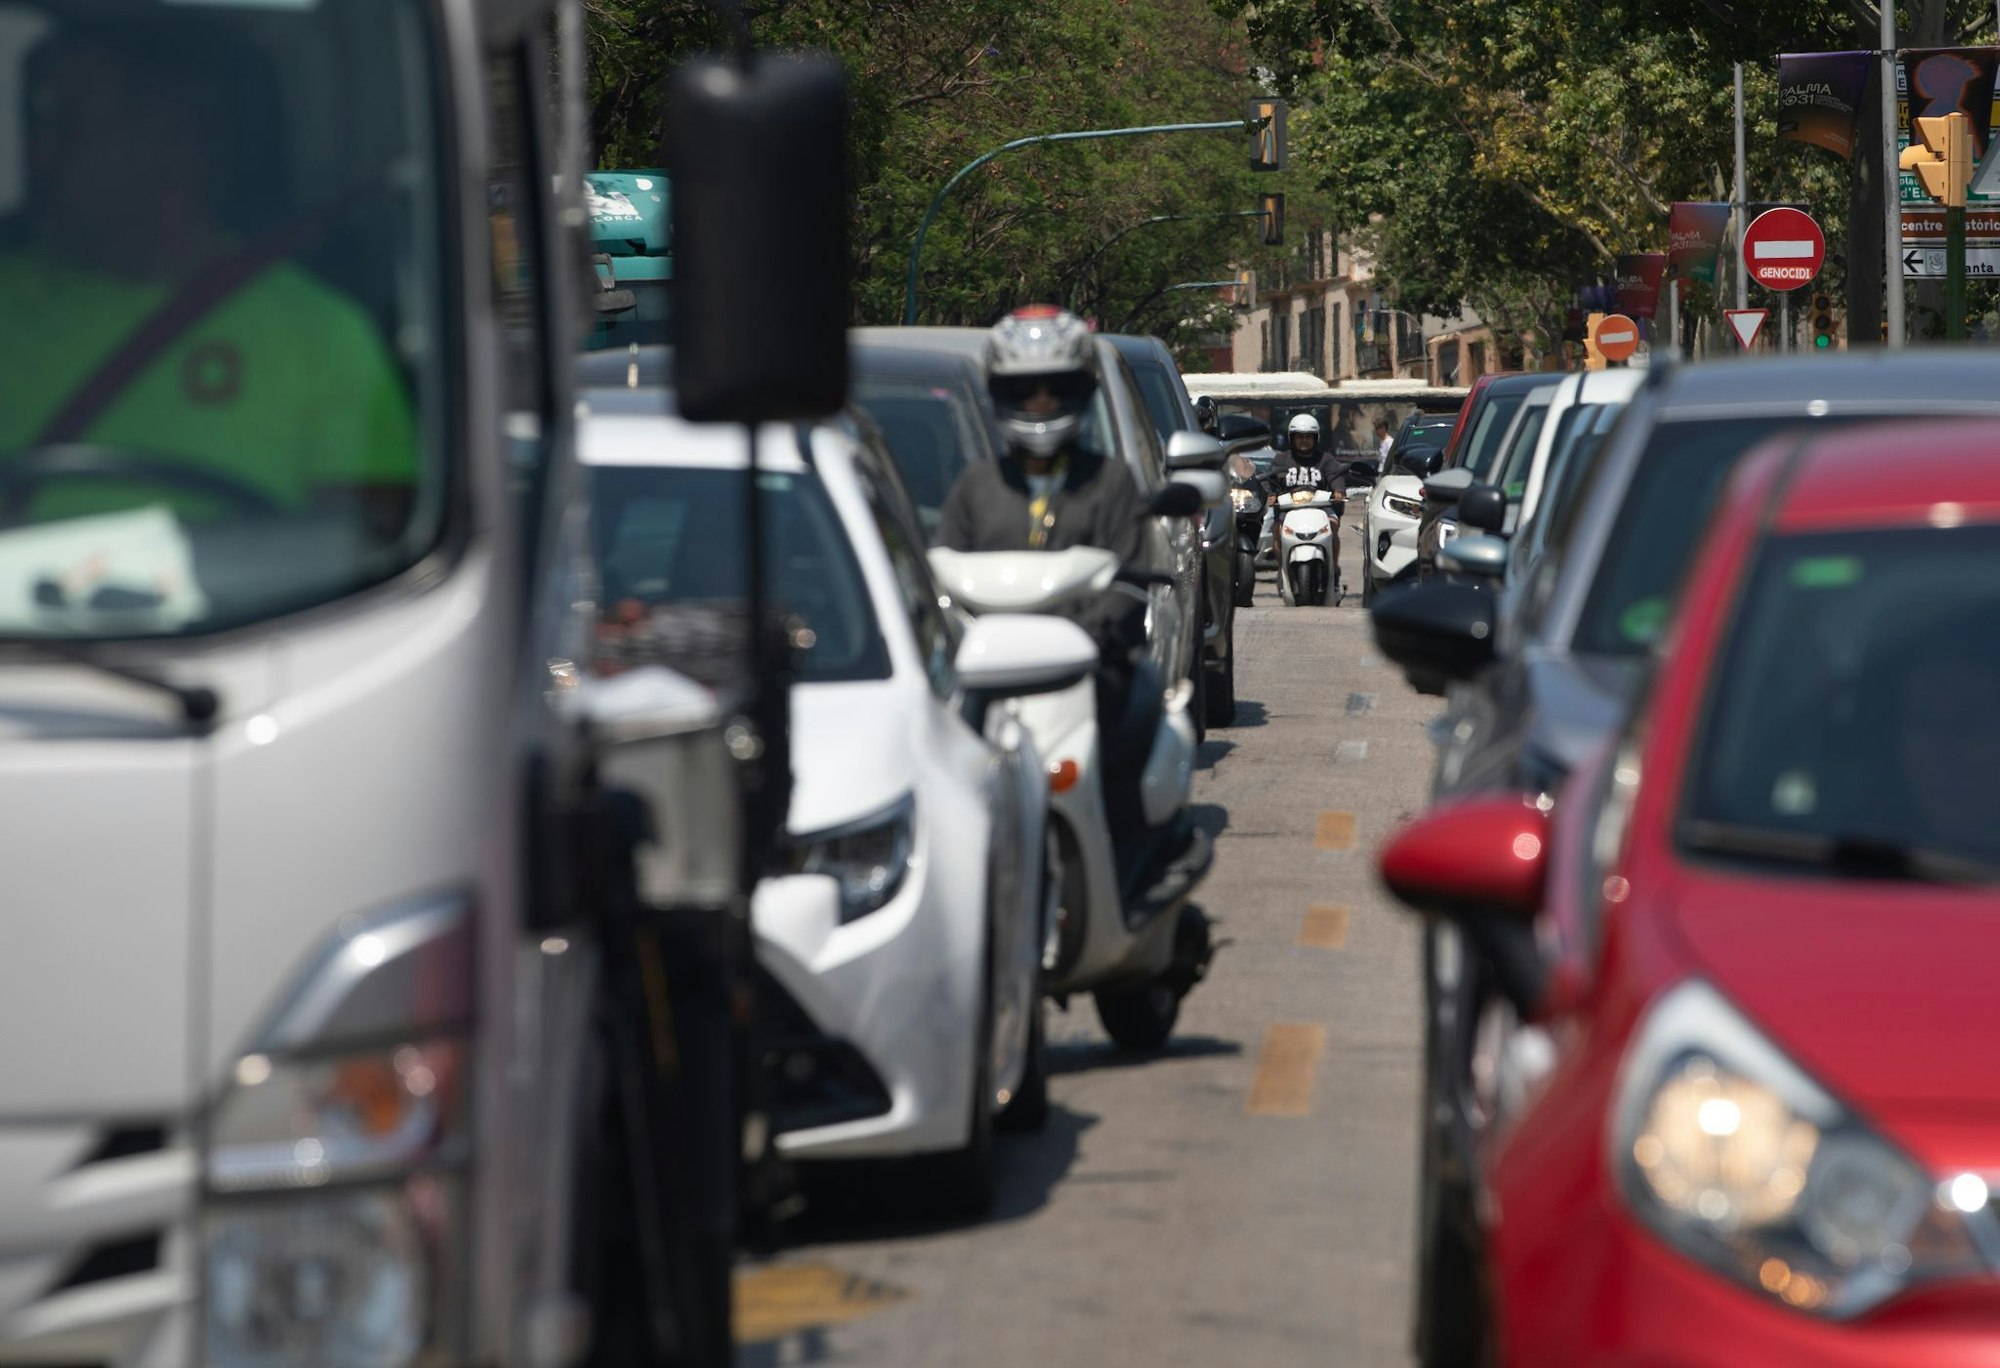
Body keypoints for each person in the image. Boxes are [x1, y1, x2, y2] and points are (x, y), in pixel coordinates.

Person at [1, 24, 421, 537]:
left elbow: (374, 559)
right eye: (37, 125)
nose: (38, 156)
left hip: (278, 620)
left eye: (71, 128)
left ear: (174, 146)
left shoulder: (326, 340)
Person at [939, 305, 1166, 863]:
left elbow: (1130, 581)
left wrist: (1086, 639)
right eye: (1025, 390)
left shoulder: (1112, 483)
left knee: (1140, 716)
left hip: (1087, 674)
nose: (1040, 403)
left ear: (1081, 392)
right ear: (1000, 394)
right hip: (988, 678)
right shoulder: (975, 488)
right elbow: (939, 579)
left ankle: (1130, 863)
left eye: (1056, 388)